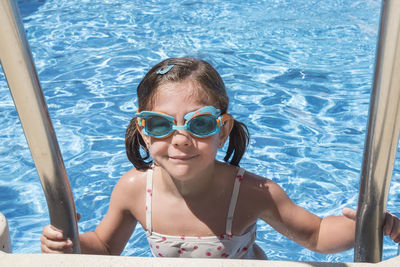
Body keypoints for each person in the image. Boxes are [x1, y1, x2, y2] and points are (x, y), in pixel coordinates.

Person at [40, 57, 400, 259]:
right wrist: (70, 242)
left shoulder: (250, 192)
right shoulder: (134, 190)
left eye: (199, 124)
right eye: (160, 124)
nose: (180, 139)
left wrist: (369, 224)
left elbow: (317, 235)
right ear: (143, 131)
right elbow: (104, 247)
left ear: (223, 130)